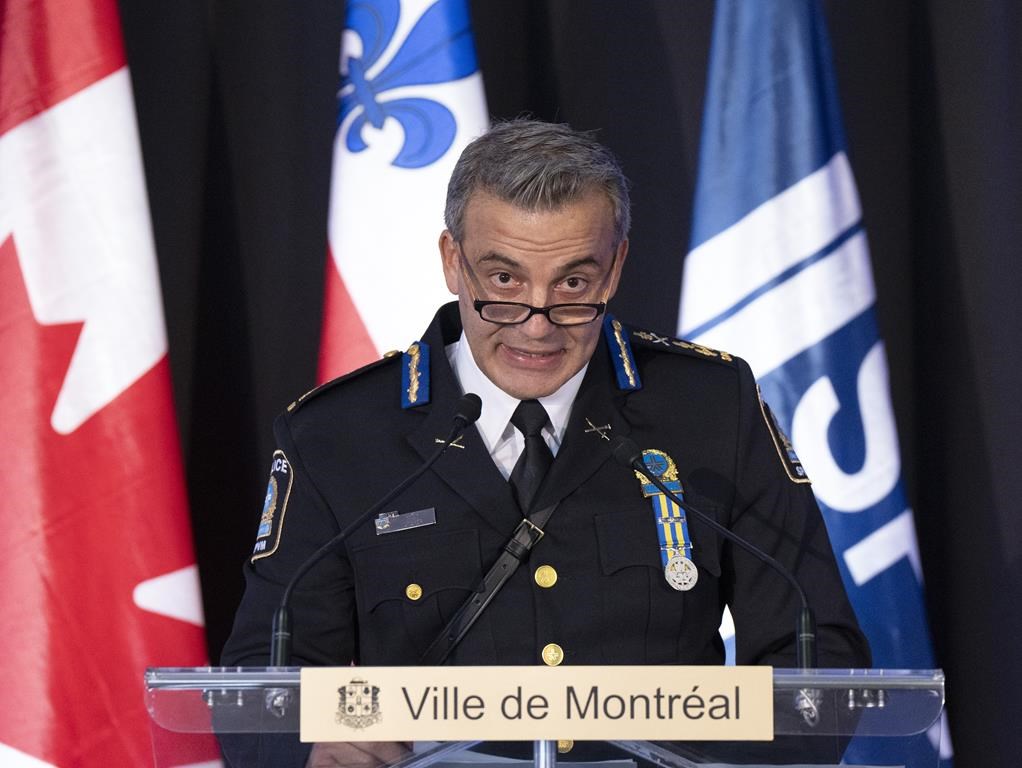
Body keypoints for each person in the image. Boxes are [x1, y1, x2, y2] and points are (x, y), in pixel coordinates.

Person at [220, 119, 870, 767]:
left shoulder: (709, 409)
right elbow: (260, 687)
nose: (537, 325)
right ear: (453, 262)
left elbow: (817, 655)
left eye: (572, 284)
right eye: (504, 282)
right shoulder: (338, 435)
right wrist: (309, 742)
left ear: (614, 268)